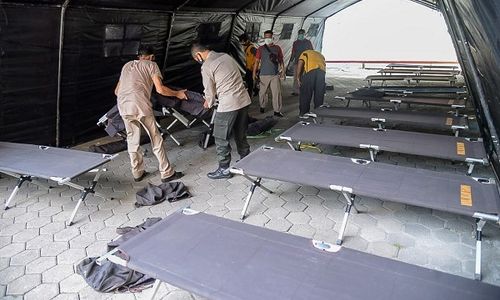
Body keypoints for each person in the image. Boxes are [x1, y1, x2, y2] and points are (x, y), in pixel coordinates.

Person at [115, 45, 186, 182]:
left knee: (132, 139)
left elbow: (117, 91)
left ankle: (137, 173)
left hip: (123, 106)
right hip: (140, 105)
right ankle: (167, 173)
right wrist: (178, 93)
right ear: (152, 57)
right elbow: (160, 90)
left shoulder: (127, 65)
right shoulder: (152, 65)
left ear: (139, 56)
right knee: (156, 138)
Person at [191, 41, 252, 179]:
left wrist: (208, 102)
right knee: (240, 132)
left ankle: (224, 169)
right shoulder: (225, 56)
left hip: (229, 104)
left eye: (196, 59)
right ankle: (246, 160)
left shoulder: (207, 66)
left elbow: (209, 92)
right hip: (243, 99)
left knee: (220, 136)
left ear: (198, 55)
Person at [253, 30, 285, 117]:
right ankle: (262, 106)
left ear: (272, 37)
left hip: (275, 74)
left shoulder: (277, 48)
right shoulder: (261, 49)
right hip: (263, 74)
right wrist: (254, 73)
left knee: (276, 93)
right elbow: (256, 61)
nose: (267, 39)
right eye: (266, 37)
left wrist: (283, 71)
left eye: (269, 37)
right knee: (262, 93)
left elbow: (281, 60)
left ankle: (277, 111)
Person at [295, 49, 326, 117]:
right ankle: (318, 113)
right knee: (319, 94)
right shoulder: (320, 54)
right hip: (322, 72)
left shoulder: (304, 53)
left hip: (311, 71)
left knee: (305, 93)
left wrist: (298, 77)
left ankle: (303, 113)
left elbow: (300, 63)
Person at [289, 29, 313, 96]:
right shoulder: (295, 43)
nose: (301, 34)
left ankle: (305, 90)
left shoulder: (308, 42)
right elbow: (293, 53)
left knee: (305, 77)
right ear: (298, 34)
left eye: (302, 33)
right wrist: (290, 62)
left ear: (305, 34)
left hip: (306, 63)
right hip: (297, 62)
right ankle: (296, 91)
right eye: (300, 33)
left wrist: (311, 62)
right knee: (296, 77)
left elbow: (311, 52)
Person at [238, 33, 258, 97]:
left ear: (246, 40)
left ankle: (250, 94)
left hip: (253, 68)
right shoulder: (246, 47)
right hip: (249, 68)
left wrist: (255, 67)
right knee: (247, 80)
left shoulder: (252, 48)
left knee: (250, 82)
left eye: (242, 41)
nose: (241, 43)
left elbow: (258, 57)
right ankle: (255, 90)